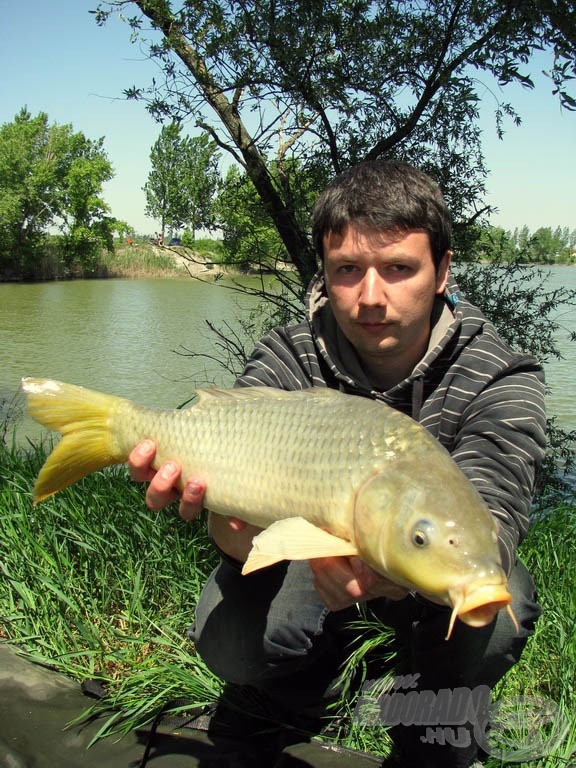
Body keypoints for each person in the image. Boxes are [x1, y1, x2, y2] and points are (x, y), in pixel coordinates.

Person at [129, 161, 546, 768]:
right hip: (310, 560)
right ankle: (309, 693)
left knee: (498, 606)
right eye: (348, 270)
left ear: (442, 271)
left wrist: (395, 581)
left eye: (399, 268)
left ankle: (423, 714)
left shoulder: (501, 374)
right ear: (324, 272)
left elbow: (497, 509)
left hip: (425, 559)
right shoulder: (288, 355)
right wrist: (227, 524)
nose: (371, 297)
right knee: (231, 636)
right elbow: (240, 537)